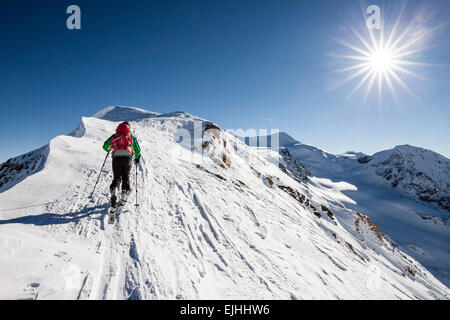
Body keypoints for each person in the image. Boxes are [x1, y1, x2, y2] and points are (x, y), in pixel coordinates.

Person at [103, 121, 141, 208]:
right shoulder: (130, 136)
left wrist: (109, 148)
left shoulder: (115, 135)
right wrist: (137, 157)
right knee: (125, 177)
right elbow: (137, 148)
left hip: (116, 158)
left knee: (117, 177)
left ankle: (114, 191)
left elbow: (105, 146)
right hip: (127, 159)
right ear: (128, 127)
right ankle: (124, 194)